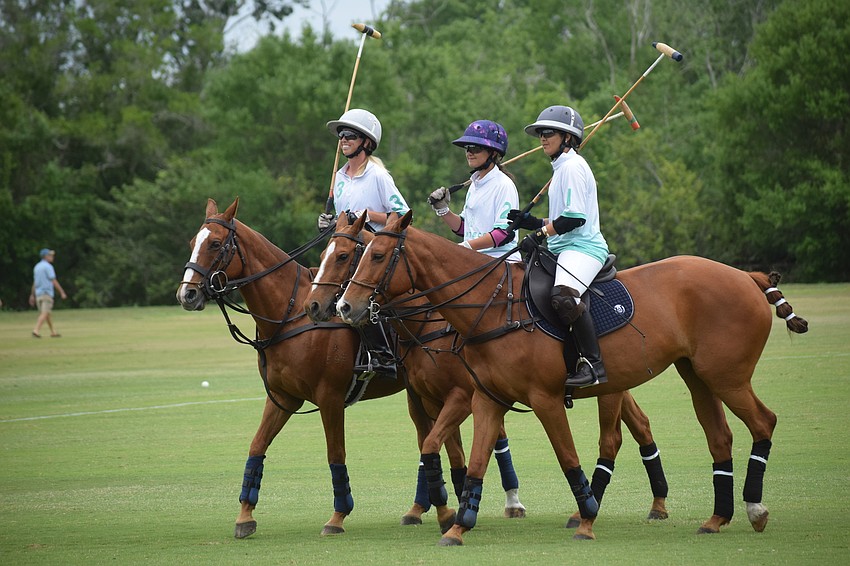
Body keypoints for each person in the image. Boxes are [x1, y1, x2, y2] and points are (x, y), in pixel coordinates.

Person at [508, 105, 609, 388]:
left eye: (548, 132)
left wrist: (540, 232)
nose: (542, 138)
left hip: (584, 247)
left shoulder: (573, 167)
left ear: (567, 137)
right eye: (541, 133)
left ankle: (593, 365)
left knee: (565, 296)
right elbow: (561, 218)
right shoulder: (562, 167)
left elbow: (575, 219)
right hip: (563, 246)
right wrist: (532, 222)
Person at [317, 108, 411, 378]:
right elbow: (342, 220)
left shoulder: (378, 176)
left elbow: (402, 215)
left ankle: (383, 356)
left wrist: (368, 216)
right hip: (347, 249)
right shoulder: (339, 178)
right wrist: (330, 223)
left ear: (366, 143)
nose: (343, 140)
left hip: (372, 250)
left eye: (349, 135)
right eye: (341, 136)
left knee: (361, 299)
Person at [428, 120, 520, 262]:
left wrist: (464, 247)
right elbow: (466, 229)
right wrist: (443, 210)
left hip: (501, 261)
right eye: (467, 148)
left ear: (493, 153)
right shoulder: (474, 185)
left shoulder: (504, 185)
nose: (469, 153)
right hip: (475, 261)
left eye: (476, 148)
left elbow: (503, 234)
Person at [29, 248, 68, 338]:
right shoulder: (48, 267)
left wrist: (32, 295)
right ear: (46, 256)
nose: (52, 257)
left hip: (38, 294)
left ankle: (53, 332)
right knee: (45, 313)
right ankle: (36, 330)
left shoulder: (37, 267)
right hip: (46, 293)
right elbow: (53, 280)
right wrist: (62, 292)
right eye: (50, 255)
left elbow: (35, 282)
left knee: (47, 314)